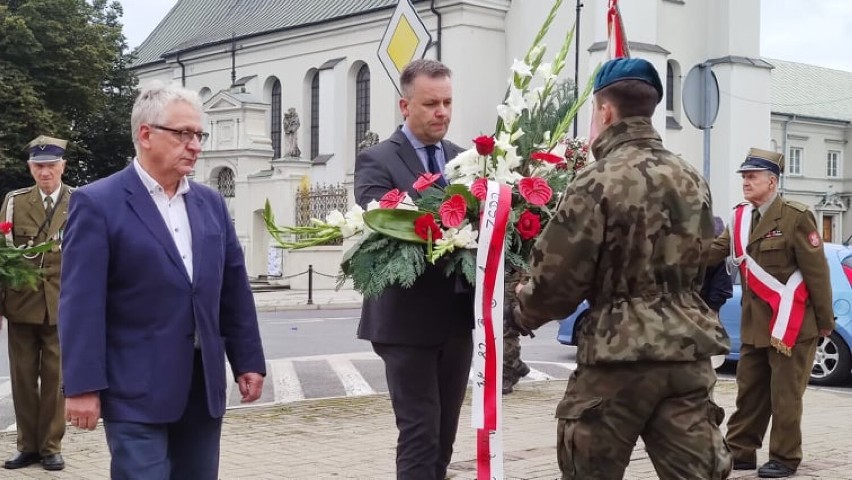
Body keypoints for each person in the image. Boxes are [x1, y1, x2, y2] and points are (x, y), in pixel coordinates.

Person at [513, 57, 732, 479]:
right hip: (685, 358)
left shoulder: (595, 181)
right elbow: (702, 260)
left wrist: (520, 311)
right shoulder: (690, 177)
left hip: (616, 363)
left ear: (605, 110)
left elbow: (557, 284)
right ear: (650, 109)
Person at [58, 82, 267, 480]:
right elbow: (81, 303)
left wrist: (248, 360)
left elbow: (233, 291)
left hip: (201, 387)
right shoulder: (98, 203)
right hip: (134, 387)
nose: (196, 145)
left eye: (199, 135)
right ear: (145, 134)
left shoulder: (211, 204)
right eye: (183, 134)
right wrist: (82, 386)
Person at [354, 58, 472, 480]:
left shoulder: (466, 161)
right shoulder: (377, 160)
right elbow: (384, 225)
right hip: (404, 322)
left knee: (444, 437)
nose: (442, 112)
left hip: (456, 322)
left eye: (447, 102)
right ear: (405, 107)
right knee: (420, 433)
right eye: (430, 104)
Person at [707, 148, 833, 478]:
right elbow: (714, 251)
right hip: (754, 326)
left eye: (752, 177)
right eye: (744, 177)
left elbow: (816, 272)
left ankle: (785, 457)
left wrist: (825, 322)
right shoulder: (739, 218)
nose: (746, 182)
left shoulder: (795, 216)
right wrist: (670, 253)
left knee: (785, 396)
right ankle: (741, 451)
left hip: (792, 325)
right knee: (749, 394)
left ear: (772, 181)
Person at [0, 135, 73, 471]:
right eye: (39, 166)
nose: (46, 172)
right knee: (23, 379)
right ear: (31, 169)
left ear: (62, 166)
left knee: (56, 380)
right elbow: (3, 258)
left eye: (51, 166)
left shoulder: (80, 201)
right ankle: (27, 445)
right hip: (21, 304)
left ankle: (50, 446)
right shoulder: (15, 202)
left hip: (62, 305)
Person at [702, 216, 734, 370]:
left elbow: (722, 285)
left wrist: (712, 310)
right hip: (698, 310)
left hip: (703, 311)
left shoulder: (713, 250)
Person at [503, 269, 530, 395]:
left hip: (511, 282)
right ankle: (517, 365)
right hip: (493, 278)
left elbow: (528, 252)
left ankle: (506, 377)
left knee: (507, 331)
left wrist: (525, 280)